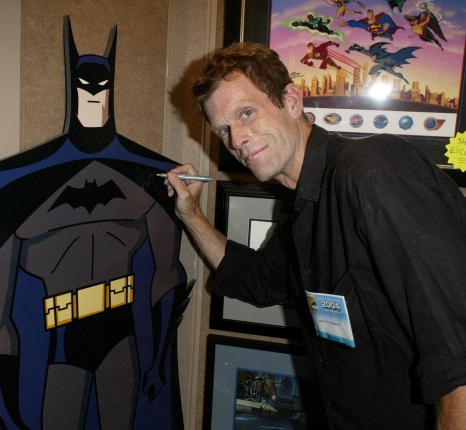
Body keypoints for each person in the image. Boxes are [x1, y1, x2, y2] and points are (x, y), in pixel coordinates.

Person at [163, 42, 466, 429]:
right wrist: (190, 214)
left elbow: (458, 356)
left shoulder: (372, 172)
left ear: (291, 101)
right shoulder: (299, 205)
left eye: (246, 113)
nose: (237, 139)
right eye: (224, 129)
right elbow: (255, 281)